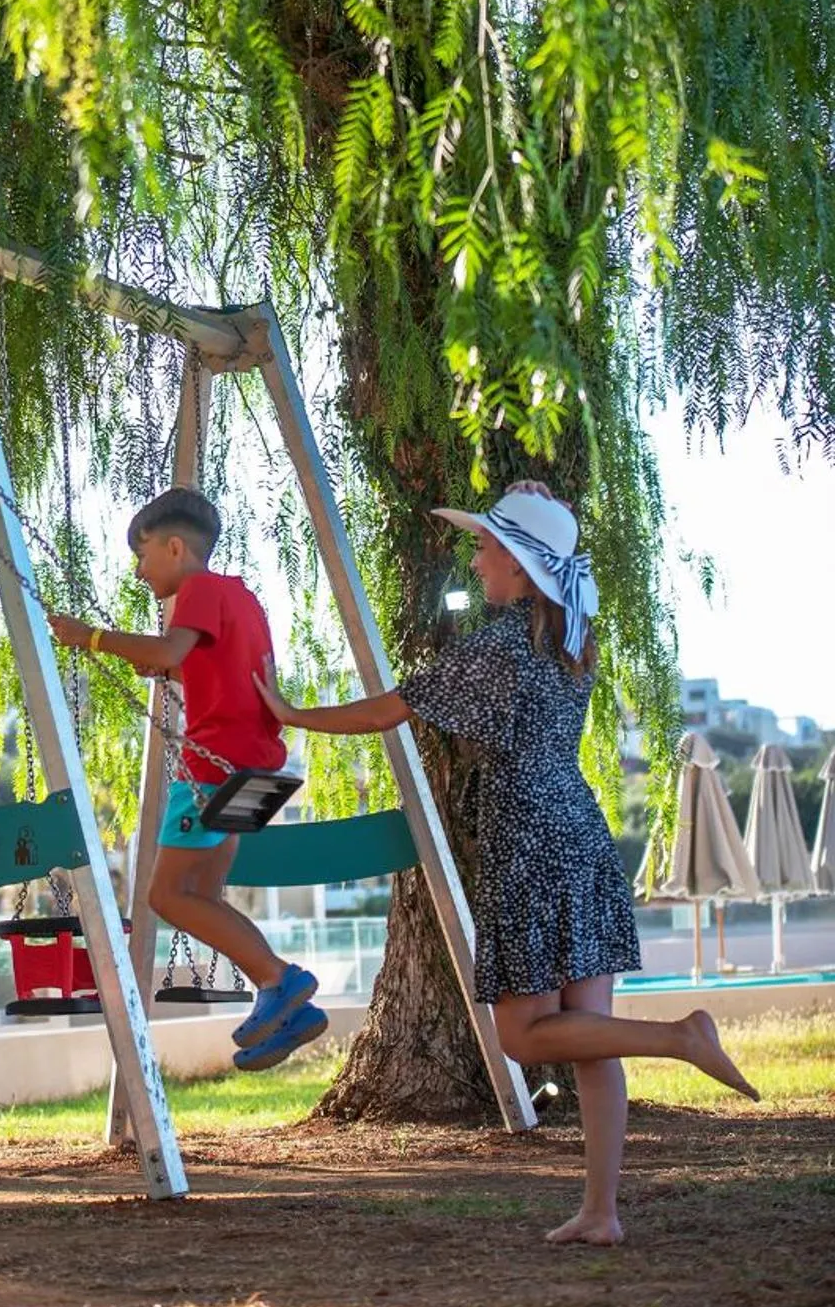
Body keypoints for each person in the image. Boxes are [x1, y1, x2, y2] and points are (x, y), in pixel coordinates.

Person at [254, 480, 758, 1245]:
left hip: (529, 837)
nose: (475, 558)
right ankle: (601, 1211)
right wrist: (541, 509)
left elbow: (388, 710)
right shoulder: (572, 637)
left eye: (488, 546)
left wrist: (294, 716)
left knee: (525, 1037)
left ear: (524, 566)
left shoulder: (498, 647)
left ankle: (680, 1037)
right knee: (589, 1035)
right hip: (581, 833)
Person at [47, 484, 328, 1071]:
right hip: (253, 764)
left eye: (143, 555)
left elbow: (173, 651)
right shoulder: (242, 597)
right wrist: (163, 665)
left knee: (168, 896)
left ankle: (280, 977)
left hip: (211, 768)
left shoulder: (199, 588)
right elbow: (198, 664)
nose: (140, 571)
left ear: (175, 547)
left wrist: (90, 637)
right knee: (203, 895)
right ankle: (291, 1009)